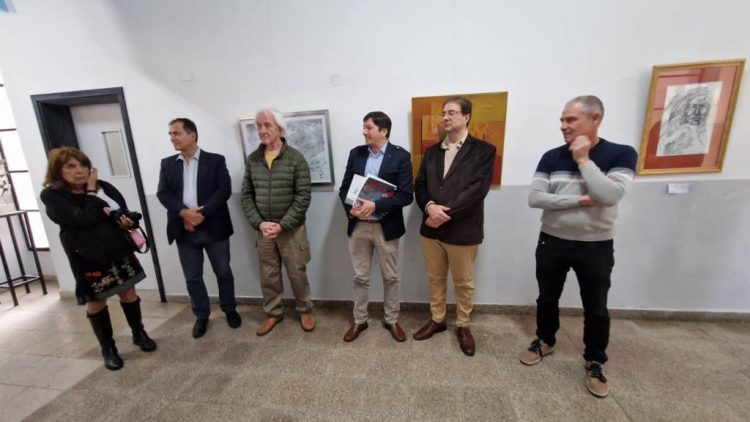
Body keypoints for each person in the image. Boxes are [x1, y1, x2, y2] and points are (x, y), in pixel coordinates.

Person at [520, 95, 637, 398]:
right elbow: (535, 198)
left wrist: (584, 160)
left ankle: (595, 360)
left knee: (596, 306)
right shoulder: (551, 157)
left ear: (595, 118)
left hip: (595, 245)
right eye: (562, 119)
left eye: (570, 119)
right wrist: (581, 200)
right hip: (552, 240)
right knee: (547, 298)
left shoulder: (621, 154)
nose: (563, 125)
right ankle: (545, 340)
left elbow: (609, 195)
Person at [41, 146, 156, 371]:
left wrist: (126, 219)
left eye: (83, 165)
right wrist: (92, 191)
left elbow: (119, 210)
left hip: (117, 249)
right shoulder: (53, 196)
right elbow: (83, 217)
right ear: (58, 170)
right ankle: (108, 348)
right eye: (71, 166)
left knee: (129, 293)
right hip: (87, 256)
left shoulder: (104, 188)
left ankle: (139, 333)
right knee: (96, 302)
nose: (79, 171)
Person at [413, 97, 496, 356]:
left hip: (463, 229)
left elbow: (477, 190)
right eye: (443, 113)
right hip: (431, 230)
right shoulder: (432, 152)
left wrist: (442, 214)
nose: (445, 117)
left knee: (463, 282)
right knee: (435, 278)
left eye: (452, 112)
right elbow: (420, 185)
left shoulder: (483, 150)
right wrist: (429, 207)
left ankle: (463, 325)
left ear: (466, 116)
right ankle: (437, 319)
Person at [157, 118, 241, 339]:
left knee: (223, 271)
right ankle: (201, 315)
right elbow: (163, 193)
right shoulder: (167, 164)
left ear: (192, 135)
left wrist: (199, 215)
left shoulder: (215, 161)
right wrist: (185, 214)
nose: (172, 138)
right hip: (184, 230)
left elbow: (223, 190)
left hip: (214, 227)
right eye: (170, 134)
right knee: (193, 277)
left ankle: (229, 309)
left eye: (176, 133)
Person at [338, 111, 414, 342]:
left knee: (390, 277)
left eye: (369, 127)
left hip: (386, 226)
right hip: (359, 226)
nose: (364, 132)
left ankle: (392, 320)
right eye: (364, 127)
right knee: (360, 276)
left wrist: (376, 205)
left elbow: (406, 195)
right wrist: (350, 208)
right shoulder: (356, 154)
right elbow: (344, 189)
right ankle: (359, 320)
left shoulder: (400, 156)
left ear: (384, 131)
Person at [240, 108, 315, 336]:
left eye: (267, 125)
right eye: (258, 125)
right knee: (268, 275)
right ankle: (273, 313)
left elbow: (303, 197)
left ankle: (305, 310)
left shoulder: (296, 159)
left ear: (279, 129)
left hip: (291, 230)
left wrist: (282, 225)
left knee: (297, 273)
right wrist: (260, 224)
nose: (261, 130)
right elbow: (246, 195)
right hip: (264, 231)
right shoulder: (253, 160)